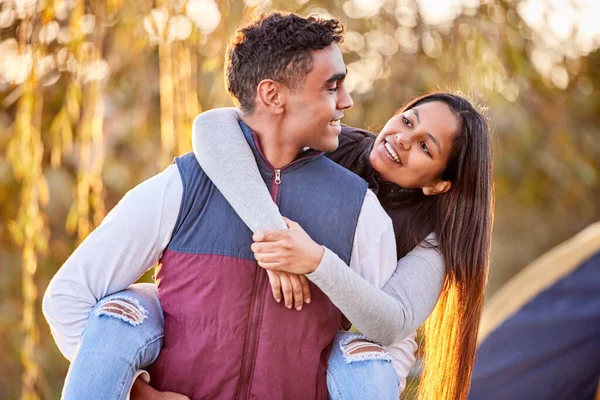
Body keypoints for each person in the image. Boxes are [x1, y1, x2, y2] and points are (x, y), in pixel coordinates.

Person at [43, 11, 423, 400]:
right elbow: (69, 297)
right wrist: (141, 395)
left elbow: (392, 340)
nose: (347, 100)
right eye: (331, 87)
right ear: (272, 95)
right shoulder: (184, 186)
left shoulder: (357, 206)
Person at [192, 91, 494, 400]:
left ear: (438, 184)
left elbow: (392, 322)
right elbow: (213, 124)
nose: (403, 138)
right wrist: (274, 235)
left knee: (363, 366)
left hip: (355, 350)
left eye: (424, 146)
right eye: (406, 121)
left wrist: (314, 261)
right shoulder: (331, 143)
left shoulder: (433, 239)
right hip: (269, 317)